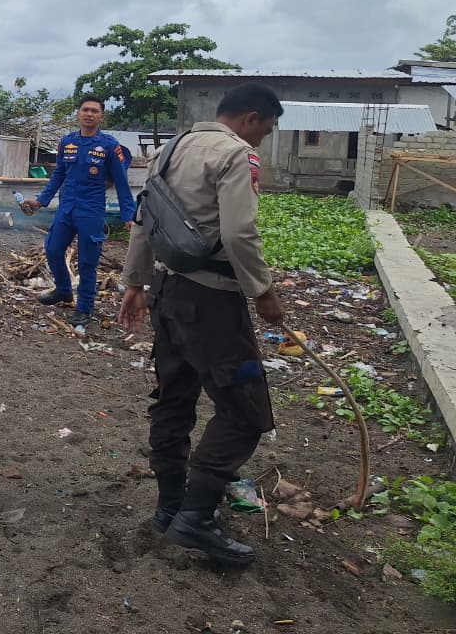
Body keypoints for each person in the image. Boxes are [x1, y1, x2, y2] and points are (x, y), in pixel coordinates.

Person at [118, 83, 285, 569]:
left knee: (174, 401)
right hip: (211, 302)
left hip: (166, 295)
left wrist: (134, 282)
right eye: (267, 128)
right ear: (251, 118)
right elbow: (238, 232)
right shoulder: (236, 155)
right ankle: (196, 515)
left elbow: (144, 220)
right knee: (246, 411)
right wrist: (264, 292)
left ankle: (169, 508)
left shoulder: (170, 149)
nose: (263, 138)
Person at [21, 96, 135, 330]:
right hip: (66, 208)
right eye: (85, 110)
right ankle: (63, 290)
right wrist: (41, 201)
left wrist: (128, 215)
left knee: (87, 262)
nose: (89, 114)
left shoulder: (109, 146)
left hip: (91, 211)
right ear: (79, 114)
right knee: (53, 249)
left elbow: (122, 182)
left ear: (101, 116)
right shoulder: (67, 143)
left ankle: (84, 308)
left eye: (94, 111)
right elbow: (58, 175)